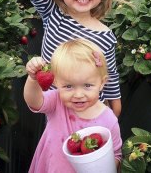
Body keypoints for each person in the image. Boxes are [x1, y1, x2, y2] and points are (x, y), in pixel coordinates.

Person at [26, 0, 128, 117]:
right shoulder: (53, 14)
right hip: (55, 107)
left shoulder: (105, 36)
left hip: (88, 110)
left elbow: (110, 77)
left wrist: (115, 109)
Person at [24, 38, 122, 173]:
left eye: (87, 85)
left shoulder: (109, 120)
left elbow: (115, 153)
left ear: (102, 83)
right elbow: (33, 101)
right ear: (57, 83)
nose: (78, 94)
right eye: (68, 86)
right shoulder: (57, 101)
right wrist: (33, 79)